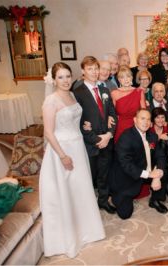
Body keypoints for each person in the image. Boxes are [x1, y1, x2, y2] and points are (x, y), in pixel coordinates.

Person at [40, 62, 105, 258]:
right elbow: (48, 132)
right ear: (54, 79)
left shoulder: (73, 95)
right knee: (66, 193)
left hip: (78, 147)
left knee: (80, 190)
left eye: (68, 76)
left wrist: (84, 124)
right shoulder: (51, 101)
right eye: (60, 77)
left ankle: (86, 231)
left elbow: (75, 119)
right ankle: (69, 237)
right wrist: (62, 156)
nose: (65, 80)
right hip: (62, 151)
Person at [73, 56, 117, 214]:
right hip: (90, 142)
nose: (93, 72)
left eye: (95, 68)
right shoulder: (77, 93)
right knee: (89, 176)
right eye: (90, 69)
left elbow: (113, 114)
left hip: (106, 140)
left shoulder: (105, 90)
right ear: (83, 71)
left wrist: (109, 135)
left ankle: (103, 201)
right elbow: (78, 121)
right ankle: (88, 206)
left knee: (104, 174)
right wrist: (96, 139)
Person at [109, 109, 168, 219]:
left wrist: (157, 175)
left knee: (165, 171)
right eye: (142, 118)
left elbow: (160, 156)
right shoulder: (126, 137)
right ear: (135, 120)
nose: (146, 122)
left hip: (146, 170)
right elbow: (126, 165)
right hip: (127, 177)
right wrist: (150, 175)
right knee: (125, 214)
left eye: (148, 119)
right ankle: (115, 196)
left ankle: (155, 200)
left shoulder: (152, 136)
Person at [111, 65, 146, 142]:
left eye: (128, 76)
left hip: (137, 128)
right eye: (122, 77)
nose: (126, 79)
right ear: (119, 79)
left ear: (132, 77)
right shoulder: (114, 93)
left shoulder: (139, 92)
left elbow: (144, 114)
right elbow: (111, 114)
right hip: (120, 129)